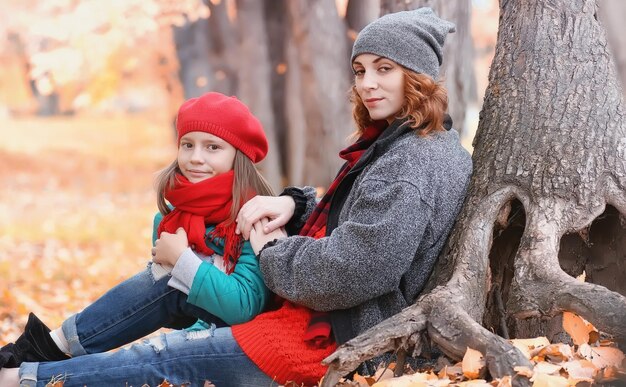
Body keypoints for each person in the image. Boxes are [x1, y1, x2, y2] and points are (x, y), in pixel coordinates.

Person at [0, 8, 473, 387]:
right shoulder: (401, 144)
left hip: (338, 338)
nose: (367, 83)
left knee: (166, 358)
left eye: (384, 70)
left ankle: (24, 379)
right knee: (171, 282)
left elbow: (352, 271)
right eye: (361, 70)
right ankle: (47, 350)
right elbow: (359, 217)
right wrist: (296, 205)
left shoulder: (414, 163)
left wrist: (273, 250)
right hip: (321, 313)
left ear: (418, 76)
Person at [0, 92, 274, 386]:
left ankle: (43, 351)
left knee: (171, 279)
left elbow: (246, 308)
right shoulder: (170, 218)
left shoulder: (255, 215)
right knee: (157, 312)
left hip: (253, 341)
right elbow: (163, 309)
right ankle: (43, 355)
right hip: (209, 327)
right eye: (187, 145)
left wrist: (183, 261)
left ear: (238, 156)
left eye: (212, 147)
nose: (196, 157)